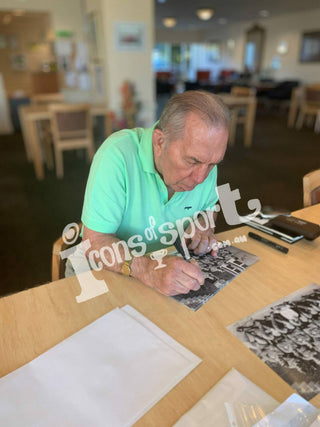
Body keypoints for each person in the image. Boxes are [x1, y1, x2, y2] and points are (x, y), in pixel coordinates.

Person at [81, 90, 230, 296]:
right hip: (113, 277)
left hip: (173, 275)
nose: (200, 178)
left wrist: (204, 225)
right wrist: (149, 270)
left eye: (212, 164)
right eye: (192, 161)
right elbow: (95, 241)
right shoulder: (117, 156)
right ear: (160, 142)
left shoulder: (205, 160)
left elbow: (209, 208)